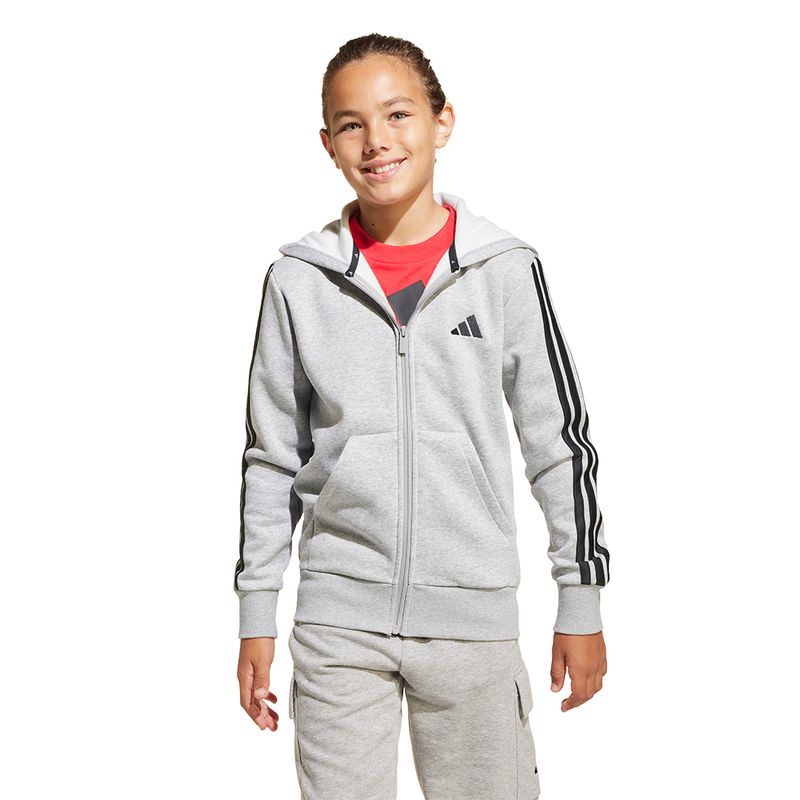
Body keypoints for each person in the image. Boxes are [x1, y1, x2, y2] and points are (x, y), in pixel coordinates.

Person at [234, 32, 611, 800]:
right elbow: (271, 456)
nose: (376, 141)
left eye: (398, 114)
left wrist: (580, 599)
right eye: (351, 124)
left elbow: (558, 443)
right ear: (328, 144)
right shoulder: (298, 282)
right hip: (338, 626)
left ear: (443, 122)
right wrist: (256, 612)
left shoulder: (503, 270)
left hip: (471, 626)